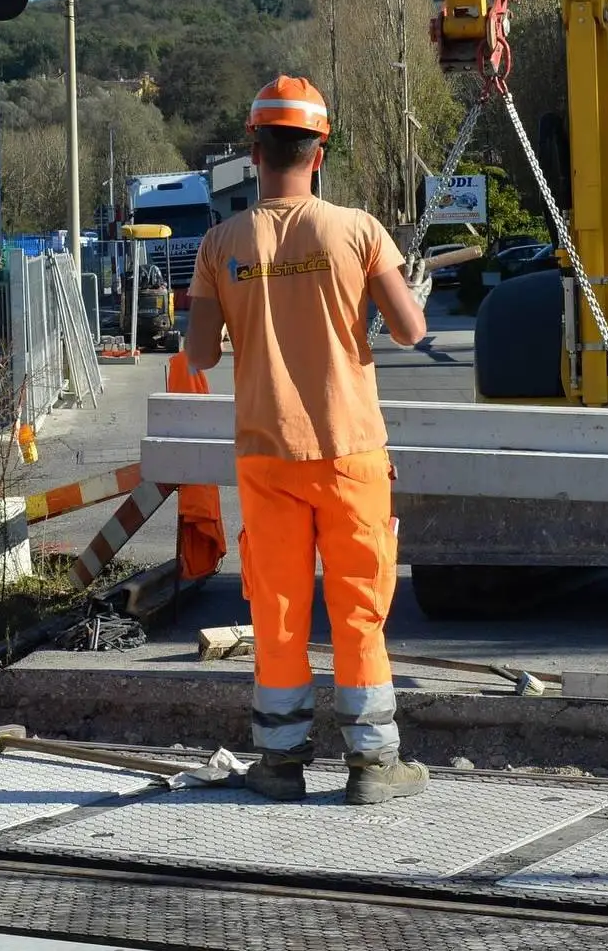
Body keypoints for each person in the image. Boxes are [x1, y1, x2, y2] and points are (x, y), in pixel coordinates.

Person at [186, 75, 430, 805]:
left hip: (266, 453)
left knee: (279, 609)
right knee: (358, 608)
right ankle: (372, 766)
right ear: (319, 150)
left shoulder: (220, 243)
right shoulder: (357, 231)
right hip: (350, 449)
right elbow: (412, 330)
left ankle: (281, 762)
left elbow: (198, 354)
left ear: (255, 149)